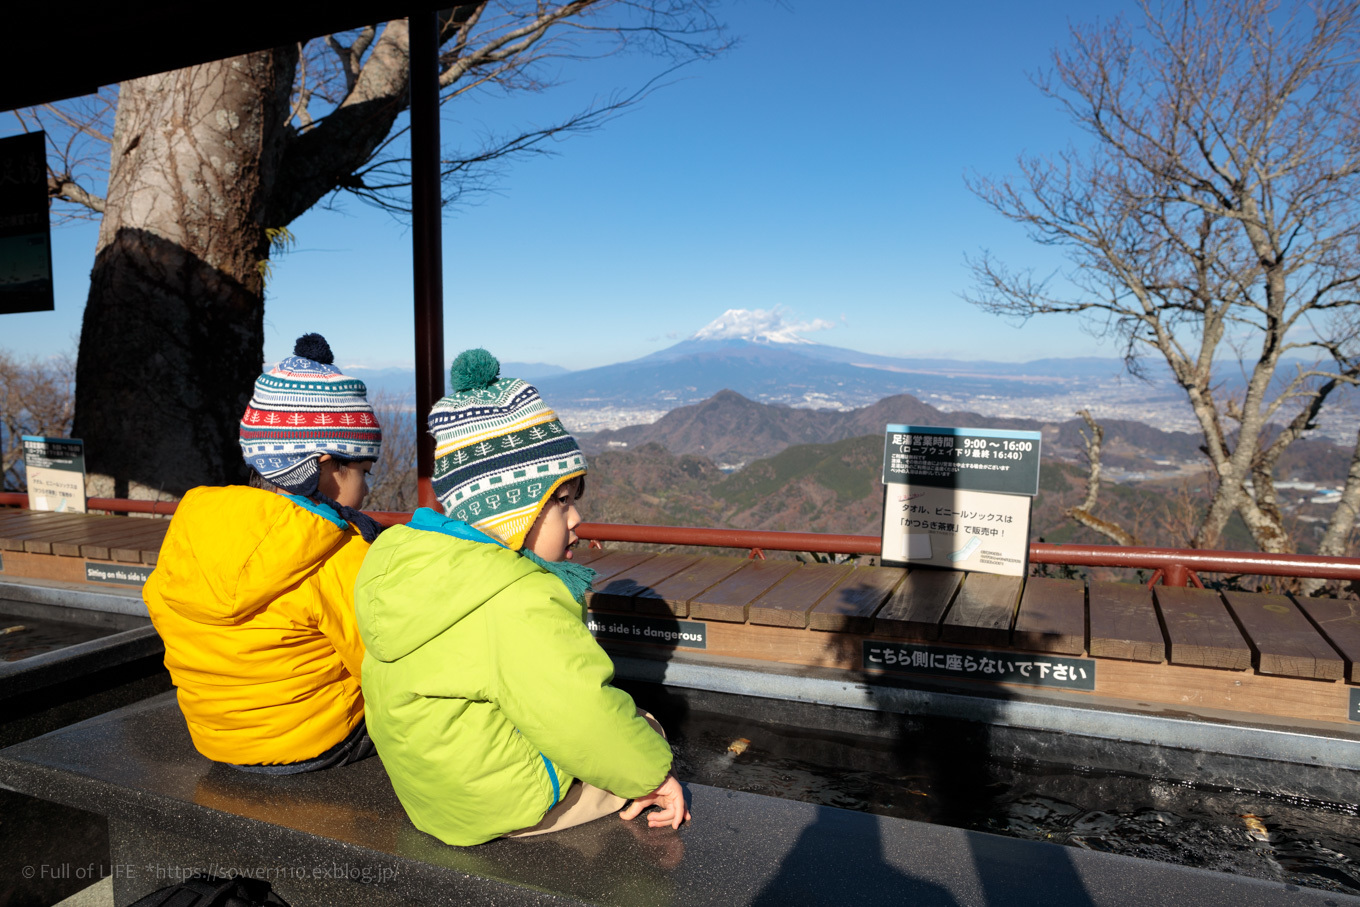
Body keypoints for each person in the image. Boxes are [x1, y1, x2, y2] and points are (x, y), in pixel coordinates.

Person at [355, 348, 689, 845]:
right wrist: (653, 777)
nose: (576, 519)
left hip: (431, 798)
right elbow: (577, 711)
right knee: (643, 730)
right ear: (512, 511)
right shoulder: (515, 597)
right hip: (499, 807)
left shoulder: (409, 565)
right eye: (560, 502)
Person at [143, 333, 383, 773]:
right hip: (319, 742)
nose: (367, 489)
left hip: (214, 739)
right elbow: (382, 663)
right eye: (365, 472)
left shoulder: (192, 530)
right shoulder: (338, 553)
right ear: (326, 467)